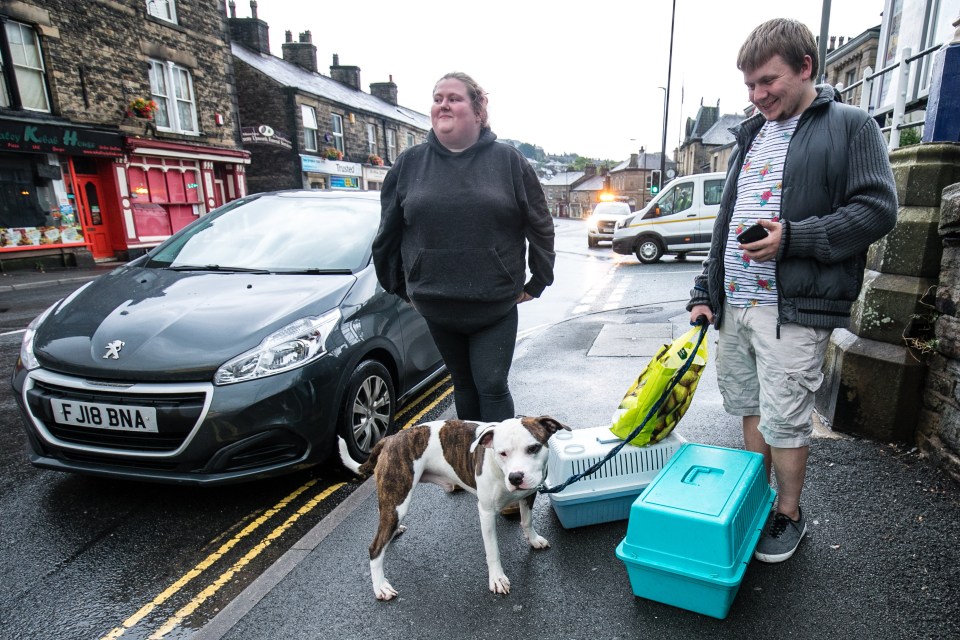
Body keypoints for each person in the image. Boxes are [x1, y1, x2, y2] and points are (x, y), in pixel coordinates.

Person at [687, 18, 897, 563]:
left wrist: (794, 239)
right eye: (749, 86)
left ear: (806, 67)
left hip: (793, 308)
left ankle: (789, 514)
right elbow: (726, 221)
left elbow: (877, 210)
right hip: (736, 300)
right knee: (750, 407)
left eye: (768, 81)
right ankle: (756, 503)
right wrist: (705, 288)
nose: (757, 97)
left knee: (785, 419)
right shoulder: (751, 134)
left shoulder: (851, 125)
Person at [373, 71, 555, 427]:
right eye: (438, 97)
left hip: (494, 305)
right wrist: (397, 285)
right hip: (437, 304)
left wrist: (538, 281)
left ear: (478, 111)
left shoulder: (509, 162)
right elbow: (387, 233)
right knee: (463, 385)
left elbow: (540, 224)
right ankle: (472, 469)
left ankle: (500, 470)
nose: (443, 104)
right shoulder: (410, 164)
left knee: (490, 384)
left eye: (454, 98)